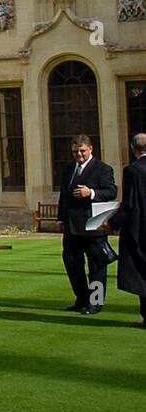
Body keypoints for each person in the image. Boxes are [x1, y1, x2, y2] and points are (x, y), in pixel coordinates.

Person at [57, 134, 117, 315]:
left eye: (82, 151)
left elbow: (111, 192)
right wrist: (60, 218)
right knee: (72, 264)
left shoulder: (103, 169)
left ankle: (96, 302)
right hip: (71, 227)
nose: (79, 154)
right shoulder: (68, 169)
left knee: (97, 267)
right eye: (75, 151)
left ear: (90, 149)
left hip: (93, 225)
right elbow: (63, 196)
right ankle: (81, 298)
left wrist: (90, 193)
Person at [109, 133, 146, 328]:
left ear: (133, 149)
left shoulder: (133, 170)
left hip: (140, 229)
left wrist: (112, 223)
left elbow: (129, 204)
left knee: (141, 272)